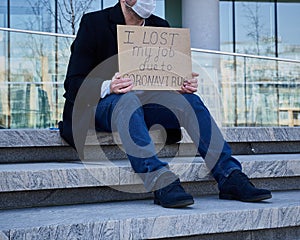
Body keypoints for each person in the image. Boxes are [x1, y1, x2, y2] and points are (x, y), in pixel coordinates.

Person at [59, 0, 272, 208]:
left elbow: (161, 80)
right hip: (103, 106)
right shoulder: (94, 23)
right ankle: (160, 180)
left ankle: (229, 175)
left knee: (190, 101)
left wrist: (178, 85)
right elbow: (73, 83)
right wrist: (109, 86)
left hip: (145, 106)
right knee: (127, 99)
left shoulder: (160, 28)